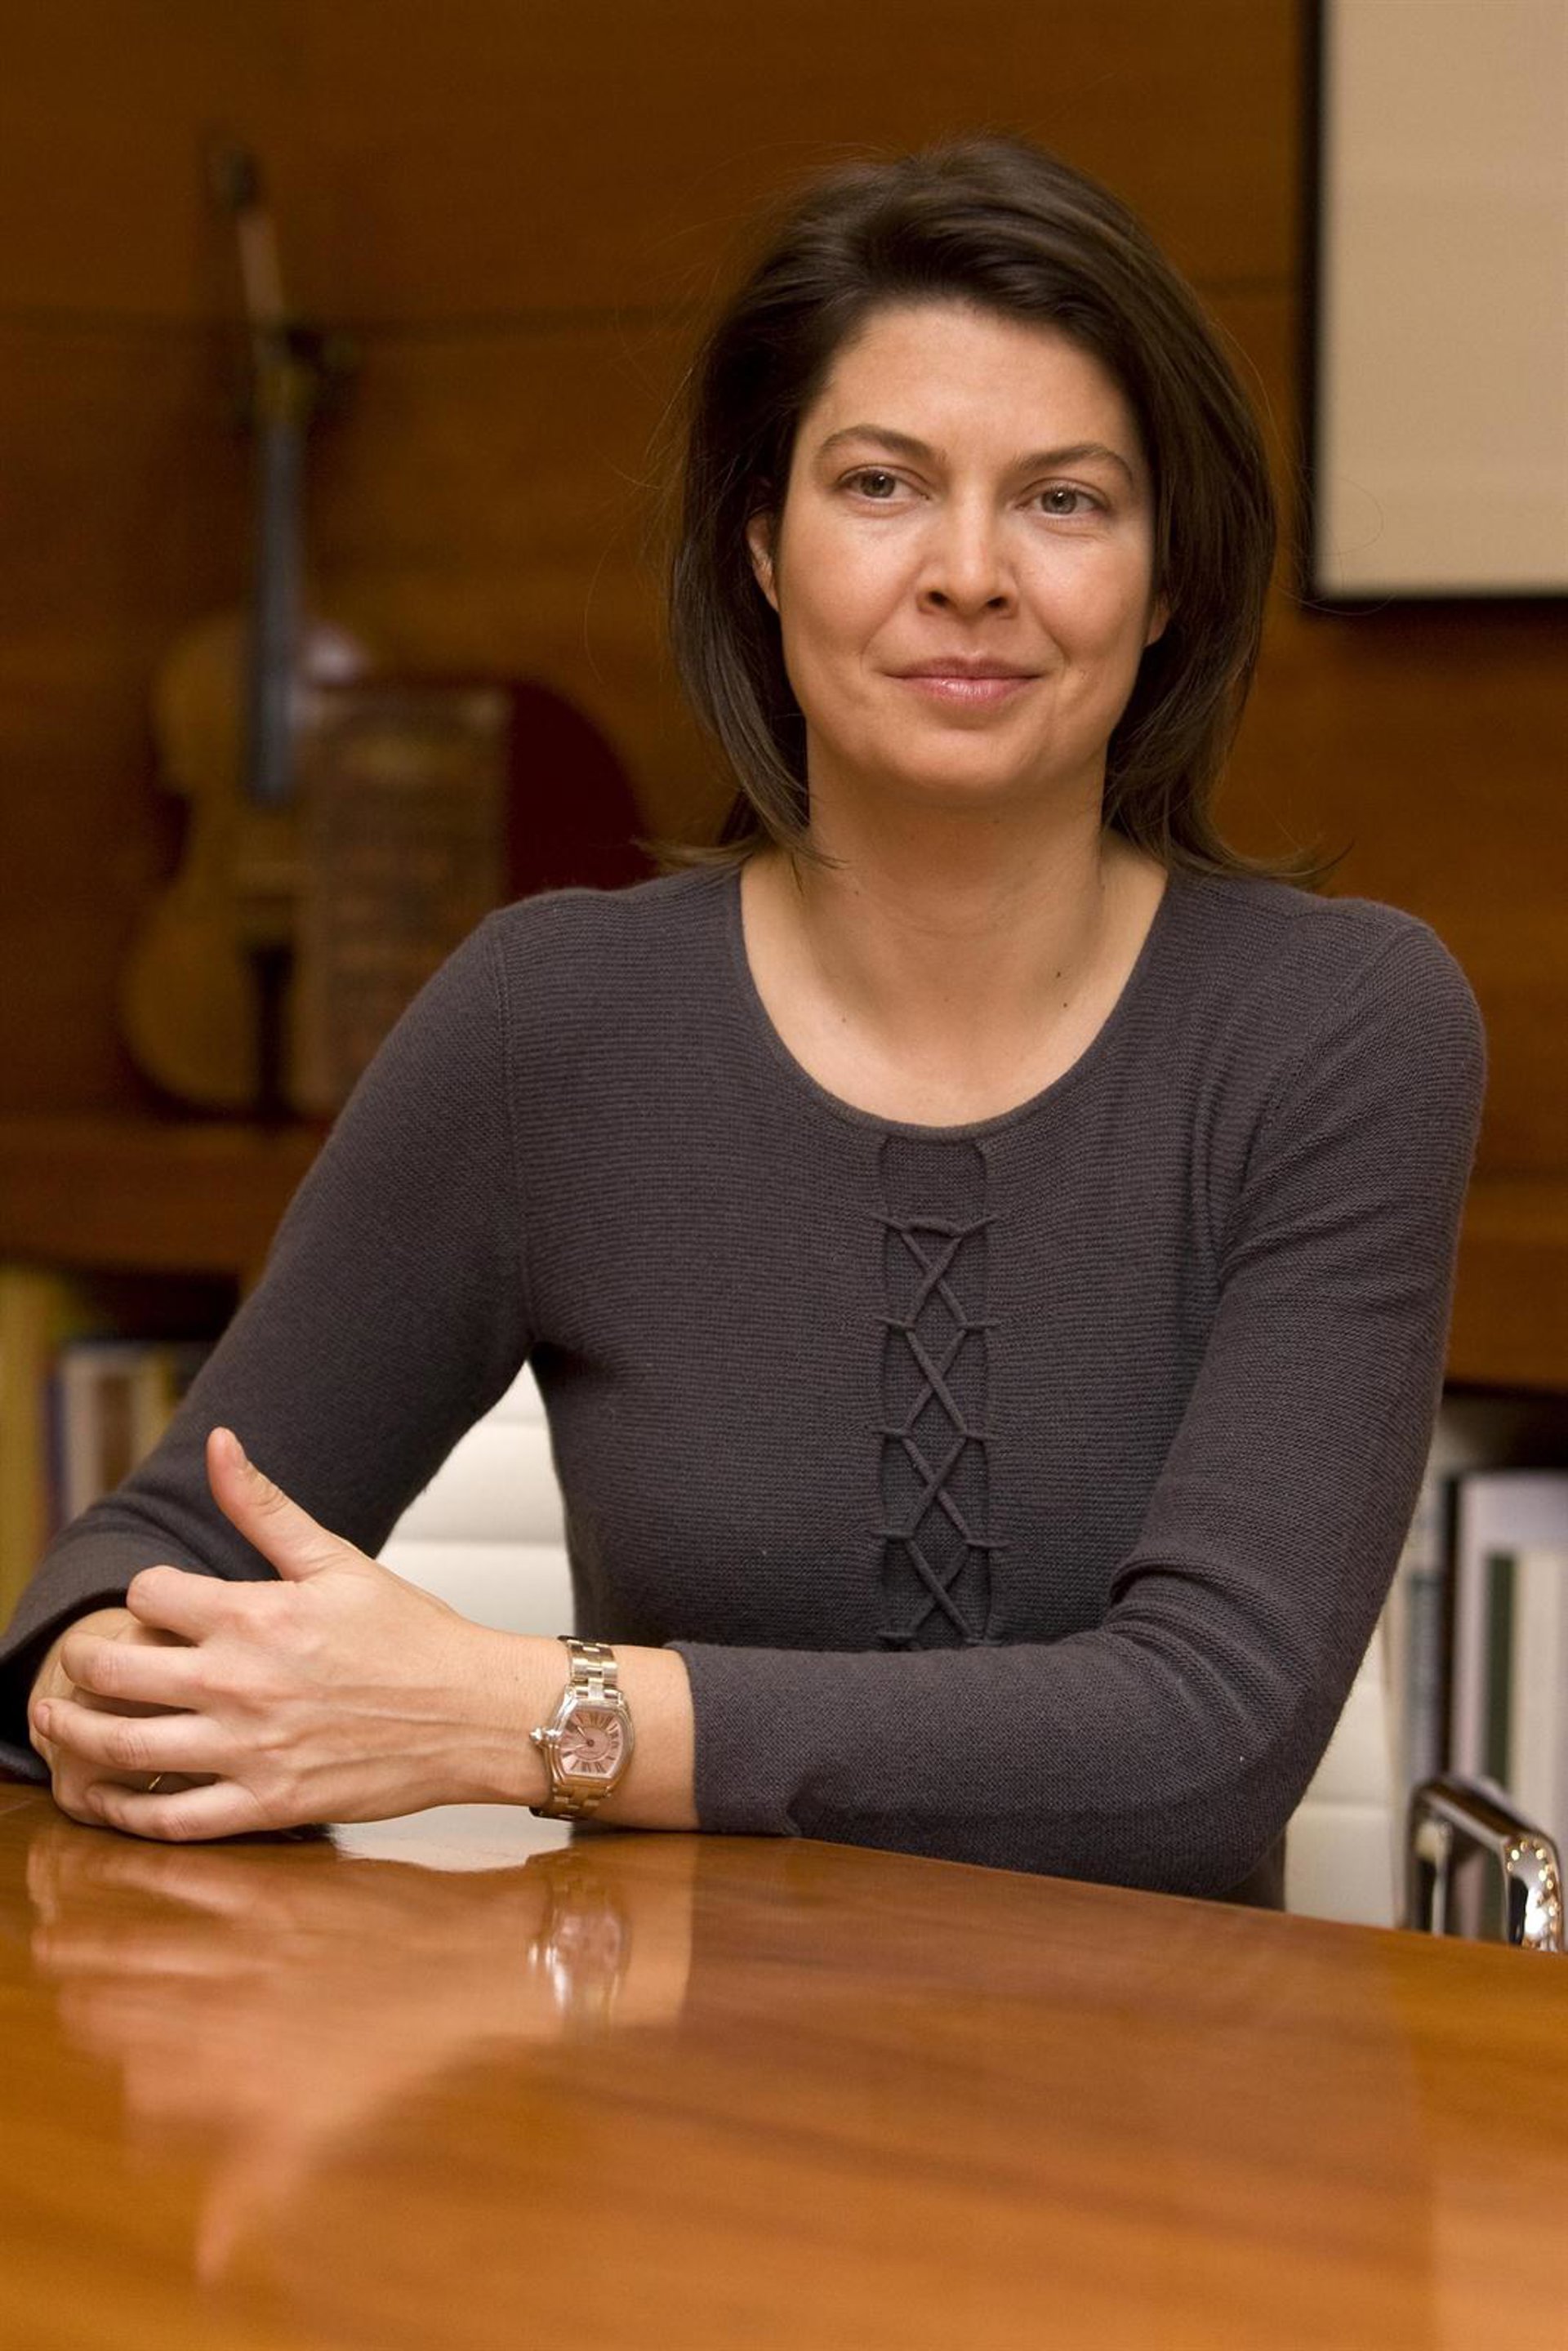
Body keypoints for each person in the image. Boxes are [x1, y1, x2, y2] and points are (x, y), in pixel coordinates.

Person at [2, 139, 1483, 1905]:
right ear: (763, 546)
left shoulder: (1337, 1029)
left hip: (1161, 2068)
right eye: (882, 484)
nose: (969, 572)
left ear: (1171, 582)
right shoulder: (550, 1022)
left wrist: (525, 1719)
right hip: (648, 2060)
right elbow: (154, 1555)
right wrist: (108, 1677)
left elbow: (1205, 1747)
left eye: (1066, 501)